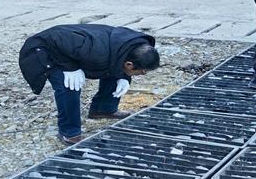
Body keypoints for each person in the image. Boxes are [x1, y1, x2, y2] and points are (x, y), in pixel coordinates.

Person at [19, 24, 160, 145]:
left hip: (72, 50)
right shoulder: (95, 52)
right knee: (69, 85)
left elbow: (119, 61)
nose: (143, 74)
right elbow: (56, 37)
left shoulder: (131, 46)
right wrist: (70, 67)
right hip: (46, 49)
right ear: (129, 64)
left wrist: (124, 77)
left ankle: (103, 109)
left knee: (116, 71)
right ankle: (69, 132)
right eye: (143, 72)